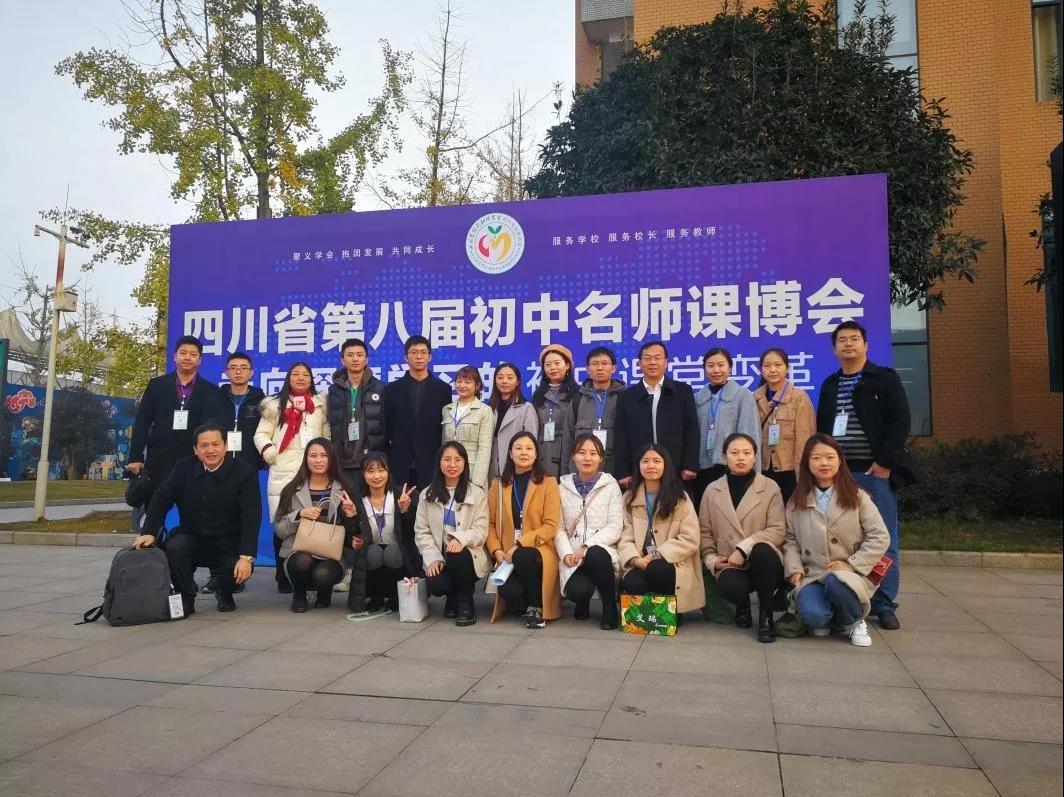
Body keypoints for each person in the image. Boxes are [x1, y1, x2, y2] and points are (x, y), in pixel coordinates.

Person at [816, 321, 915, 631]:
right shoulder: (831, 384)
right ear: (834, 349)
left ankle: (884, 604)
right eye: (842, 340)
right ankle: (846, 594)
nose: (848, 344)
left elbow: (900, 421)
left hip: (874, 472)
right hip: (839, 474)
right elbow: (823, 429)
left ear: (866, 345)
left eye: (854, 339)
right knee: (839, 538)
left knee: (882, 538)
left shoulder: (883, 379)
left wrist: (885, 461)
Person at [133, 424, 260, 615]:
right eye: (204, 445)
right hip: (193, 536)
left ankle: (224, 592)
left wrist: (246, 556)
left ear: (226, 446)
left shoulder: (244, 472)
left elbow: (251, 515)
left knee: (237, 568)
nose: (210, 450)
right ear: (195, 449)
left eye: (216, 444)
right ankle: (186, 595)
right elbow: (161, 500)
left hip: (228, 542)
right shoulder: (183, 467)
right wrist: (149, 532)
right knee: (175, 548)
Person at [784, 433, 891, 647]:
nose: (824, 463)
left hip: (850, 573)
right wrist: (794, 568)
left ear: (840, 461)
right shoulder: (797, 500)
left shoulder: (858, 497)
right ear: (807, 464)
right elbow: (790, 538)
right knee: (814, 617)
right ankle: (832, 616)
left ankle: (854, 621)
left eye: (830, 457)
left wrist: (851, 564)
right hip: (813, 574)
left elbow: (880, 536)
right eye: (816, 458)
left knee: (837, 582)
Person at [128, 335, 228, 532]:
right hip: (159, 459)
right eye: (183, 353)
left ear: (200, 360)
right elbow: (142, 422)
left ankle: (185, 547)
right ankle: (151, 544)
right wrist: (136, 457)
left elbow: (212, 427)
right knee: (156, 509)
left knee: (192, 511)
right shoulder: (157, 385)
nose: (187, 358)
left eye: (193, 354)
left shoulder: (210, 391)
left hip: (194, 460)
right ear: (174, 356)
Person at [698, 433, 787, 643]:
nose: (741, 458)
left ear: (754, 457)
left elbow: (777, 529)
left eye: (747, 453)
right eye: (734, 453)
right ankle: (743, 605)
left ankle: (766, 615)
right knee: (731, 586)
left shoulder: (770, 487)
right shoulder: (712, 489)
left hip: (765, 561)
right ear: (724, 456)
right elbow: (704, 531)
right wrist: (711, 559)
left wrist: (744, 548)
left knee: (762, 551)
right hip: (730, 562)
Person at [254, 361, 330, 593]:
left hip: (312, 472)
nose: (300, 378)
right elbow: (261, 434)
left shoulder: (318, 406)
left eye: (305, 374)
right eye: (295, 374)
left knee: (312, 521)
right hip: (284, 471)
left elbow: (326, 436)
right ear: (288, 378)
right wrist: (271, 453)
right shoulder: (275, 406)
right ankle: (282, 574)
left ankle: (308, 572)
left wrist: (325, 458)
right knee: (283, 522)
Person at [618, 444, 705, 619]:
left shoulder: (680, 497)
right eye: (645, 461)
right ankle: (649, 615)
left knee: (658, 570)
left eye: (656, 461)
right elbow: (624, 535)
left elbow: (690, 538)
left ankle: (671, 612)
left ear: (666, 465)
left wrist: (657, 554)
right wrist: (635, 559)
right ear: (638, 465)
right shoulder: (629, 497)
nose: (651, 466)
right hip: (641, 559)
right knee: (632, 582)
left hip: (672, 561)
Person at [203, 352, 265, 595]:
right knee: (216, 520)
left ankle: (239, 572)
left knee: (244, 519)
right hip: (219, 466)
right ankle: (217, 575)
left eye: (243, 368)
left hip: (248, 468)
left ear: (251, 373)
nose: (238, 371)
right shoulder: (215, 398)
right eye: (233, 367)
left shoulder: (260, 399)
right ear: (226, 372)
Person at [487, 432, 563, 629]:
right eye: (518, 448)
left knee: (523, 556)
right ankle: (524, 599)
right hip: (507, 553)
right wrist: (496, 550)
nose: (524, 452)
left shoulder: (548, 482)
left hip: (539, 549)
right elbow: (490, 524)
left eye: (529, 448)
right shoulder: (498, 484)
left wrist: (521, 543)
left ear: (536, 454)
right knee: (509, 592)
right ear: (510, 453)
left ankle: (536, 607)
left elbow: (550, 525)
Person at [273, 438, 358, 613]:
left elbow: (353, 532)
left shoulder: (345, 490)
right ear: (306, 459)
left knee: (323, 574)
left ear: (331, 458)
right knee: (302, 561)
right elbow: (279, 531)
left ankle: (324, 591)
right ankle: (299, 594)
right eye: (313, 456)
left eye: (323, 456)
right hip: (298, 552)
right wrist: (299, 515)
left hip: (331, 554)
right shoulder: (291, 490)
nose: (318, 460)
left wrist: (351, 514)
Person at [414, 442, 490, 626]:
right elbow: (421, 531)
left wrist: (460, 539)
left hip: (468, 557)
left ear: (465, 463)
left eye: (458, 460)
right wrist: (433, 558)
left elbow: (481, 530)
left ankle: (466, 601)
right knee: (435, 583)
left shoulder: (477, 494)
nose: (452, 465)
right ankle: (452, 595)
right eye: (447, 460)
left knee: (457, 555)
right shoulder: (426, 495)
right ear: (439, 463)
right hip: (440, 556)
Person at [613, 341, 699, 490]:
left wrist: (690, 464)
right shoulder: (627, 397)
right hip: (639, 469)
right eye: (647, 358)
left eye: (657, 358)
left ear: (666, 362)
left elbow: (692, 430)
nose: (652, 362)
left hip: (676, 467)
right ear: (639, 363)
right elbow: (621, 436)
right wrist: (623, 471)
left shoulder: (682, 391)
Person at [557, 433, 623, 629]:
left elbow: (615, 526)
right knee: (577, 591)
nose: (587, 458)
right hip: (573, 554)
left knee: (595, 554)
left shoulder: (611, 486)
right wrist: (566, 553)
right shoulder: (562, 487)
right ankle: (582, 601)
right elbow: (558, 527)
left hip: (602, 551)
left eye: (593, 453)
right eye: (582, 452)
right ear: (573, 456)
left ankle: (609, 607)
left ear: (601, 458)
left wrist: (586, 546)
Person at [347, 452, 419, 619]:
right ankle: (376, 596)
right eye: (370, 471)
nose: (376, 476)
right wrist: (351, 517)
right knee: (372, 553)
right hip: (371, 554)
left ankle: (396, 595)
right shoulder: (355, 499)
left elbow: (412, 533)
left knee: (392, 553)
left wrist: (405, 511)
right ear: (363, 474)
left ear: (388, 472)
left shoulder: (402, 495)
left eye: (381, 470)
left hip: (399, 554)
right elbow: (351, 535)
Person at [692, 348, 761, 505]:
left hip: (733, 468)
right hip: (702, 469)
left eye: (721, 365)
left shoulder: (743, 395)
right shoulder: (697, 399)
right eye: (710, 365)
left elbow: (750, 434)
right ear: (704, 369)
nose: (716, 370)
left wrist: (753, 470)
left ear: (730, 368)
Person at [383, 335, 453, 490]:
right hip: (399, 464)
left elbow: (445, 428)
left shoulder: (443, 390)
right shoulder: (391, 390)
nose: (419, 356)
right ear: (405, 357)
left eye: (423, 352)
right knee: (400, 504)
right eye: (413, 352)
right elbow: (386, 428)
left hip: (431, 463)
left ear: (430, 356)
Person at [752, 348, 815, 503]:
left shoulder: (799, 397)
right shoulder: (754, 398)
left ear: (787, 368)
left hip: (790, 471)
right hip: (763, 470)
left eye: (778, 365)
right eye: (767, 366)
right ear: (760, 369)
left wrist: (803, 476)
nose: (772, 370)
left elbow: (805, 439)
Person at [325, 338, 387, 486]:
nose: (355, 359)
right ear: (342, 360)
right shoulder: (334, 391)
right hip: (342, 461)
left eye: (359, 355)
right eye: (350, 355)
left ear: (366, 359)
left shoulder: (380, 388)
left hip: (372, 461)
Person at [571, 347, 626, 474]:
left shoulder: (625, 398)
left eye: (605, 363)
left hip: (615, 470)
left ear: (613, 368)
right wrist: (566, 471)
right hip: (581, 472)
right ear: (588, 369)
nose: (600, 368)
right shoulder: (577, 399)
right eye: (595, 364)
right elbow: (568, 438)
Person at [441, 365, 494, 488]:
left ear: (477, 385)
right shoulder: (447, 409)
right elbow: (444, 444)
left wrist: (478, 482)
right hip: (449, 471)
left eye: (467, 382)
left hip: (472, 471)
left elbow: (485, 448)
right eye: (459, 381)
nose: (462, 385)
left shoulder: (485, 411)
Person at [531, 344, 578, 478]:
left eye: (557, 363)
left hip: (567, 452)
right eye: (548, 365)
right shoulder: (538, 395)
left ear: (567, 365)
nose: (552, 368)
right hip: (543, 453)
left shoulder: (577, 394)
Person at [487, 362, 538, 479]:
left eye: (509, 378)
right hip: (491, 467)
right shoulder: (489, 408)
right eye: (500, 377)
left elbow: (531, 441)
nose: (504, 381)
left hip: (516, 466)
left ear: (517, 381)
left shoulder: (526, 408)